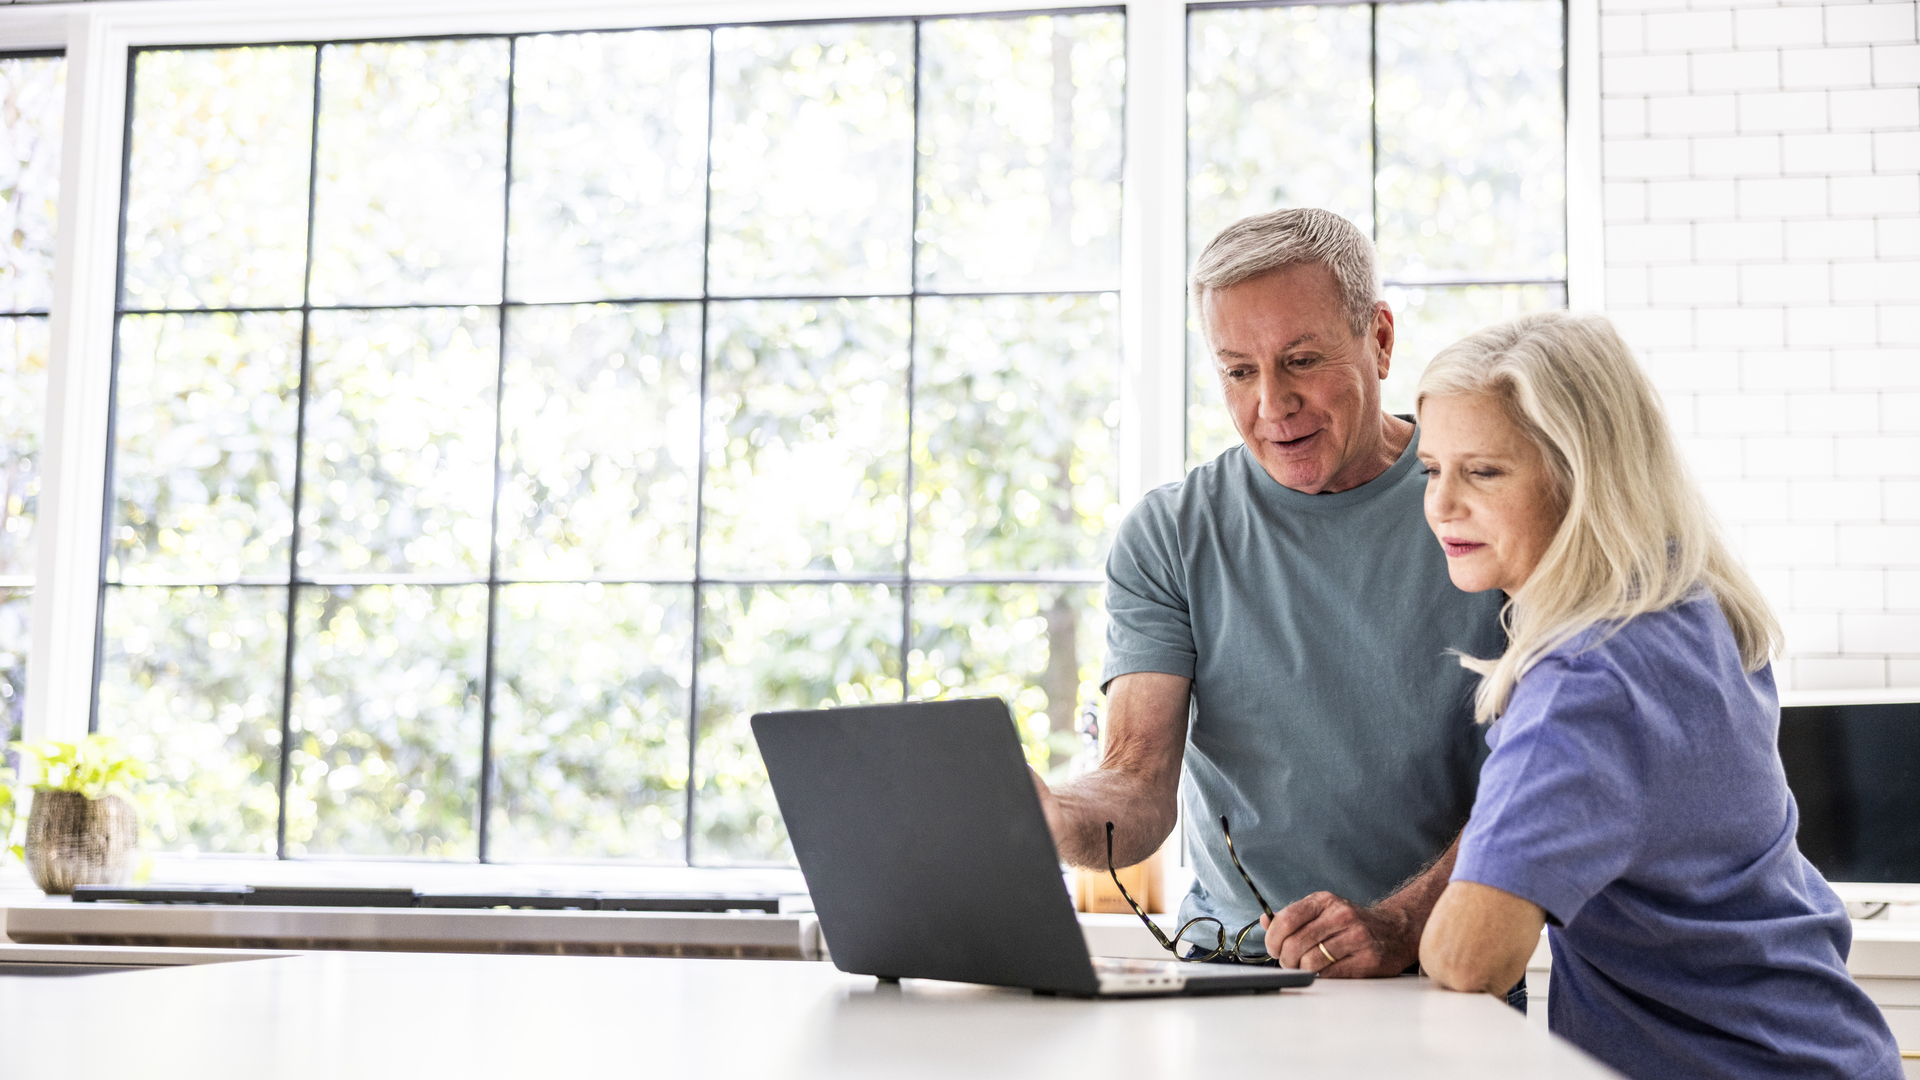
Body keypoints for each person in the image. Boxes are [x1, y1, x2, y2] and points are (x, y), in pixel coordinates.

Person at [1413, 311, 1902, 1079]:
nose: (1441, 505)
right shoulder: (1691, 606)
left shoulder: (1583, 681)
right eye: (1430, 469)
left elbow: (1467, 957)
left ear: (1582, 478)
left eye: (1483, 471)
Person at [1033, 207, 1508, 981]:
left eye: (1302, 359)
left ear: (1380, 339)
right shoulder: (1171, 534)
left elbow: (1536, 780)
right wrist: (1052, 816)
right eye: (1239, 371)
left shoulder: (1478, 501)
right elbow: (1138, 785)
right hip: (1230, 974)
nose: (1271, 405)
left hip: (1438, 969)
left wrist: (1398, 924)